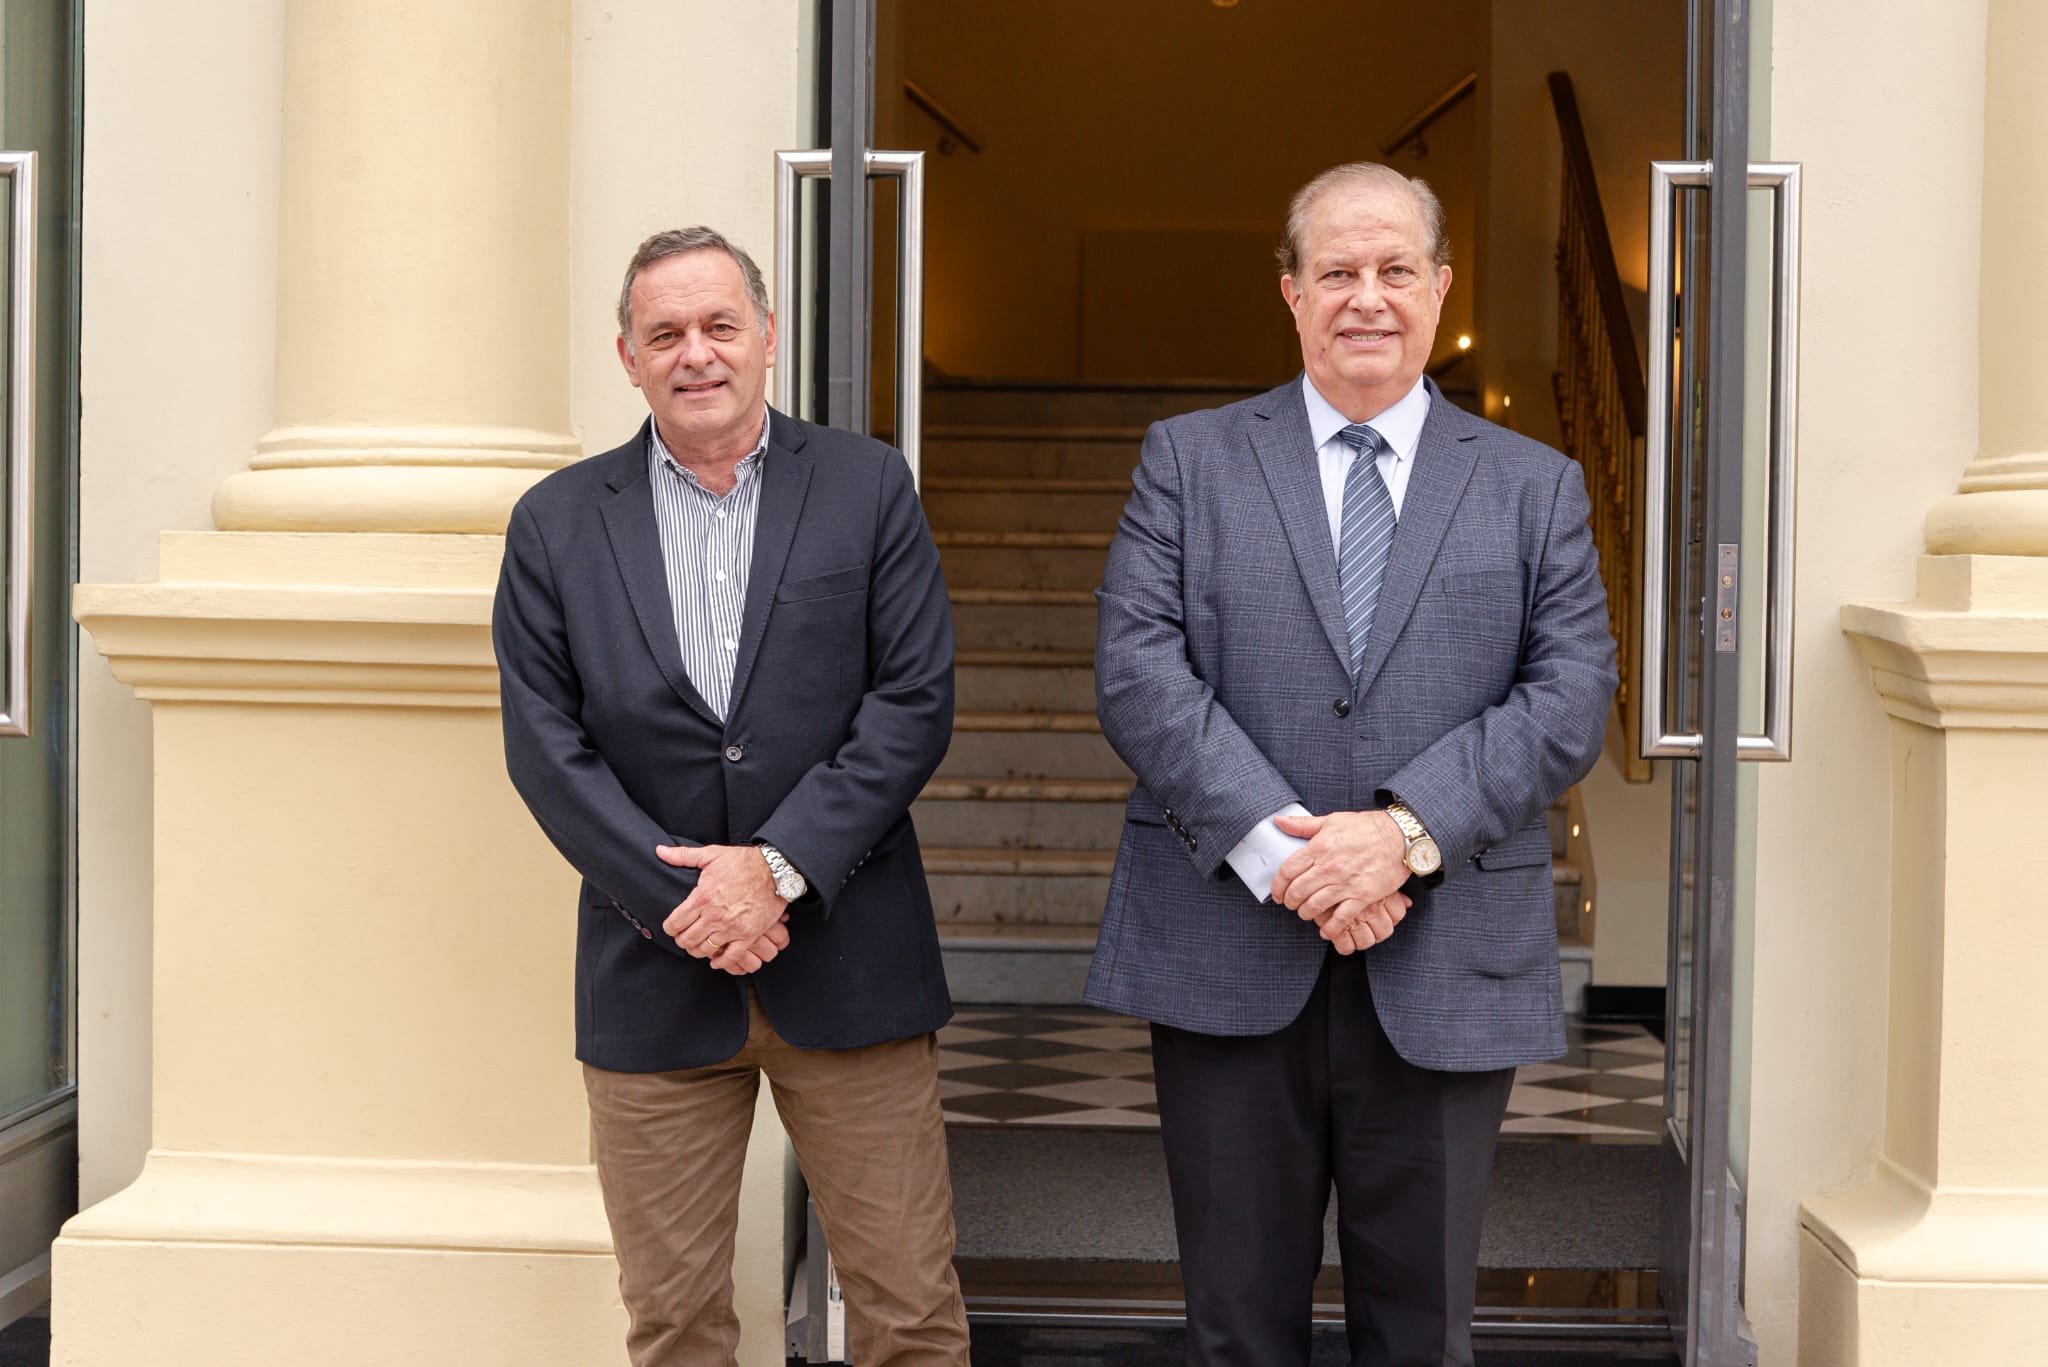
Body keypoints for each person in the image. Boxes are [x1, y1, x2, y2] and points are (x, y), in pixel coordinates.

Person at [1086, 163, 1619, 1366]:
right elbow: (1135, 668)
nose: (1364, 297)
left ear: (1438, 288)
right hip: (1227, 950)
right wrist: (1286, 850)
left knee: (1421, 1330)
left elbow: (1570, 692)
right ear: (1289, 293)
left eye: (1392, 270)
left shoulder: (1535, 485)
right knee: (1233, 1327)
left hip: (1442, 961)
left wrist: (1400, 832)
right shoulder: (1188, 460)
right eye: (1335, 271)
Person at [493, 226, 969, 1367]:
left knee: (908, 1315)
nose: (694, 353)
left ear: (765, 338)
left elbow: (912, 701)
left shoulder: (865, 485)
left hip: (851, 960)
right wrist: (688, 902)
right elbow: (544, 748)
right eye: (665, 333)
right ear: (627, 355)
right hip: (651, 974)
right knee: (674, 1327)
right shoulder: (557, 522)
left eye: (718, 326)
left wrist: (775, 868)